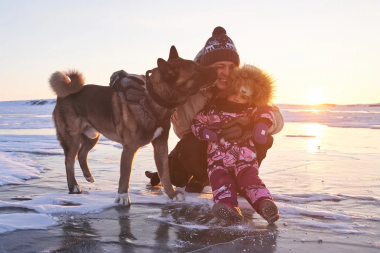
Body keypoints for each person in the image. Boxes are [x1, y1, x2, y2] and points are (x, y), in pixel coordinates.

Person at [145, 26, 284, 193]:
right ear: (207, 66)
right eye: (220, 66)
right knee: (178, 177)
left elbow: (275, 115)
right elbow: (155, 96)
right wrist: (127, 84)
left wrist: (251, 126)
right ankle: (199, 175)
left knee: (265, 138)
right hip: (198, 143)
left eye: (232, 67)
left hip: (235, 148)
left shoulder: (242, 85)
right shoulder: (186, 84)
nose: (226, 73)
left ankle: (242, 177)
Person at [191, 64, 279, 224]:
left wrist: (262, 124)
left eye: (244, 96)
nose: (237, 98)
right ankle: (227, 206)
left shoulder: (250, 111)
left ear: (251, 99)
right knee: (220, 183)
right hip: (217, 161)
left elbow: (266, 112)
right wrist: (203, 132)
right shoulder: (213, 110)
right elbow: (197, 122)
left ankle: (265, 204)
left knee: (251, 181)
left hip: (245, 160)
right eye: (234, 93)